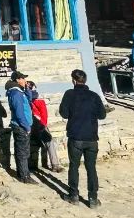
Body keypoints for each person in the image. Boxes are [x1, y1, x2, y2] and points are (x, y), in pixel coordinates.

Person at [58, 68, 106, 208]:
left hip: (75, 136)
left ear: (73, 81)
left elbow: (64, 113)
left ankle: (74, 195)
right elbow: (102, 115)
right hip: (91, 137)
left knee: (74, 166)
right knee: (91, 168)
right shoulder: (94, 96)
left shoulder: (69, 94)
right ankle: (93, 198)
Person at [5, 70, 36, 184]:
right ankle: (25, 176)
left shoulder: (19, 91)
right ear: (18, 80)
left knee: (21, 150)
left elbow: (29, 99)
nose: (25, 80)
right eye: (23, 78)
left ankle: (22, 173)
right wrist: (26, 126)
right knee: (23, 152)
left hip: (21, 125)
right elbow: (19, 112)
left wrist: (27, 88)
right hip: (21, 126)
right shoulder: (16, 93)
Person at [26, 82, 64, 173]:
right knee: (49, 142)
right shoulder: (39, 101)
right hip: (39, 124)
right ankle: (55, 165)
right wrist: (43, 126)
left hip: (29, 125)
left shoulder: (25, 99)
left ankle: (28, 166)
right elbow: (44, 115)